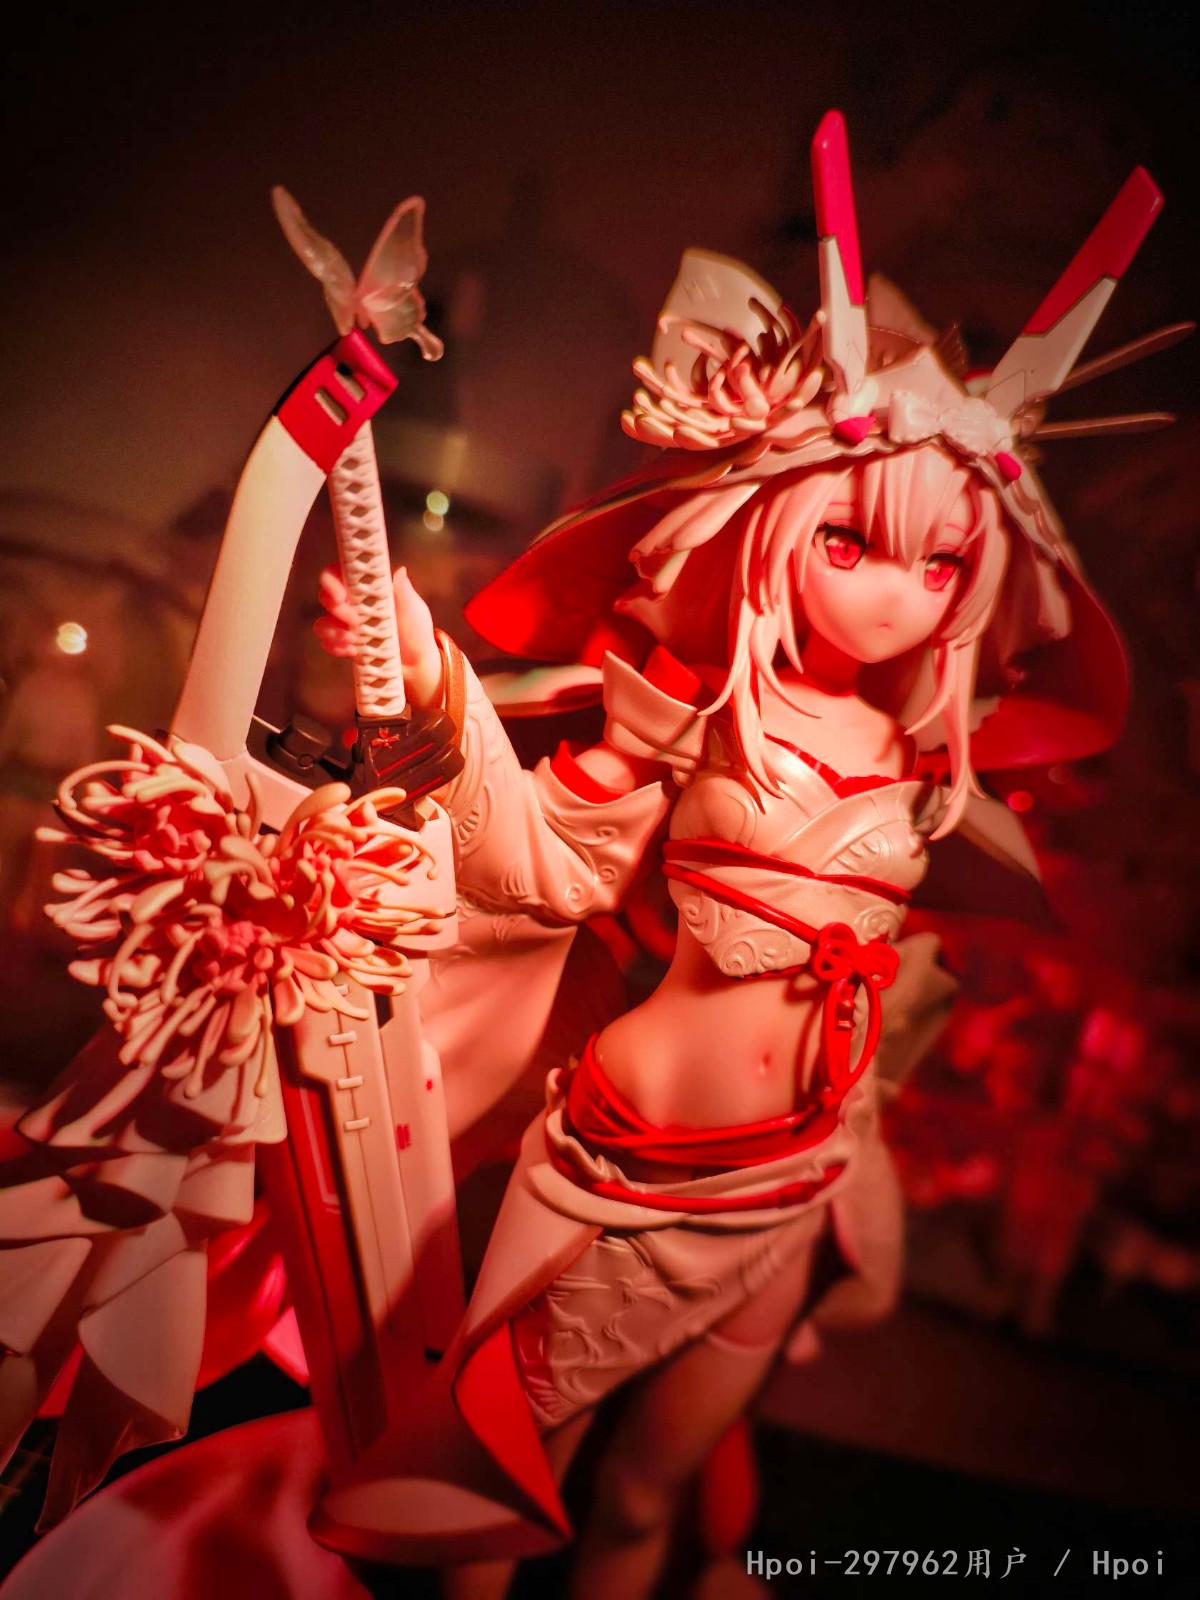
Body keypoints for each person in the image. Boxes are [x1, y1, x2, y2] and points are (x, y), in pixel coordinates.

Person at [313, 112, 1152, 1598]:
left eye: (941, 562)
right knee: (498, 1507)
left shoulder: (932, 755)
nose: (896, 595)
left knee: (647, 1497)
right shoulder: (697, 707)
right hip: (634, 1177)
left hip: (799, 1182)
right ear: (778, 524)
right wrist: (430, 683)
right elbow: (551, 862)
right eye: (851, 544)